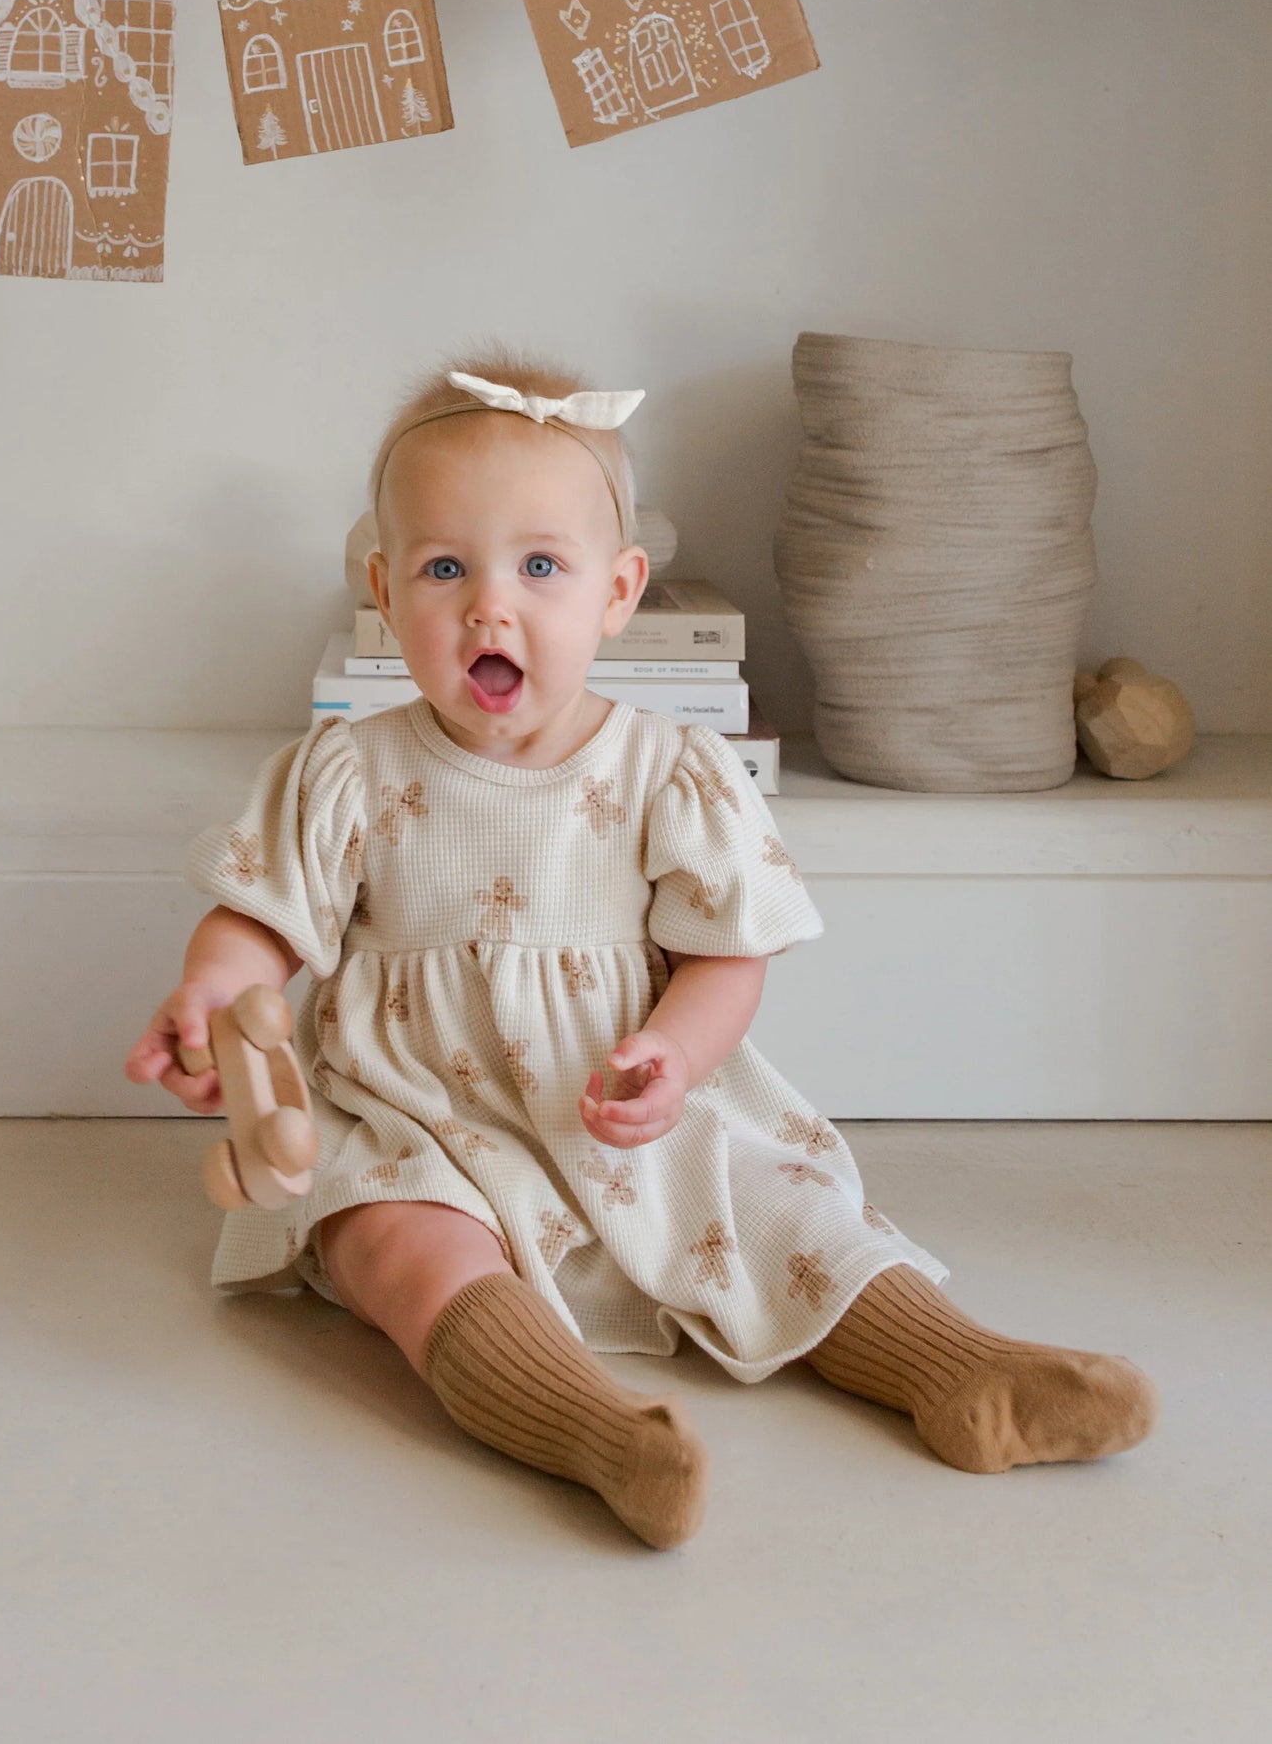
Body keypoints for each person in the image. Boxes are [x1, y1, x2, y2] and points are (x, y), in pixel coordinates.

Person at [124, 349, 1159, 1550]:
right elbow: (261, 919)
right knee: (394, 1240)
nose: (487, 606)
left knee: (786, 1210)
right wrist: (214, 996)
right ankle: (590, 1430)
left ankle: (961, 1368)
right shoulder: (349, 769)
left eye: (539, 568)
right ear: (381, 586)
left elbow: (729, 957)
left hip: (621, 1096)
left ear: (616, 593)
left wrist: (673, 1052)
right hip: (416, 1116)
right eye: (444, 567)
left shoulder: (670, 768)